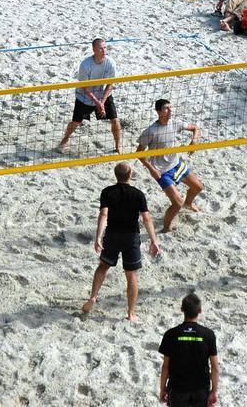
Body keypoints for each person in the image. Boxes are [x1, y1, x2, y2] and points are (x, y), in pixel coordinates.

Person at [81, 162, 160, 320]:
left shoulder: (107, 192)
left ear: (115, 175)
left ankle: (93, 297)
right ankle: (131, 313)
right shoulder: (138, 194)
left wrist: (98, 236)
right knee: (131, 276)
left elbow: (103, 215)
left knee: (103, 267)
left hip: (112, 235)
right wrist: (154, 240)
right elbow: (146, 219)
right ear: (130, 174)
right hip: (131, 237)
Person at [137, 99, 204, 233]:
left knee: (198, 187)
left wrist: (194, 140)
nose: (170, 110)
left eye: (170, 108)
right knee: (177, 203)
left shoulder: (175, 123)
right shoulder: (150, 131)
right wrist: (152, 169)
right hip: (161, 171)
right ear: (158, 112)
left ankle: (188, 203)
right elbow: (139, 153)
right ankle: (166, 228)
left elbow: (195, 128)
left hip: (176, 164)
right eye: (166, 108)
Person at [58, 38, 122, 154]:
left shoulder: (110, 63)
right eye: (100, 48)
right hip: (85, 96)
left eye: (105, 47)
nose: (104, 50)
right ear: (94, 50)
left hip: (104, 95)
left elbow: (110, 84)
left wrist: (102, 101)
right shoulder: (86, 64)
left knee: (115, 120)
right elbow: (84, 87)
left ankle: (118, 146)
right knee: (76, 123)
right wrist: (96, 102)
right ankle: (65, 140)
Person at [159, 293, 219, 407]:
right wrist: (214, 391)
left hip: (178, 388)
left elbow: (165, 366)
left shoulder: (171, 334)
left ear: (182, 310)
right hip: (201, 388)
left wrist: (162, 388)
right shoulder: (209, 334)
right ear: (200, 310)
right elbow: (215, 367)